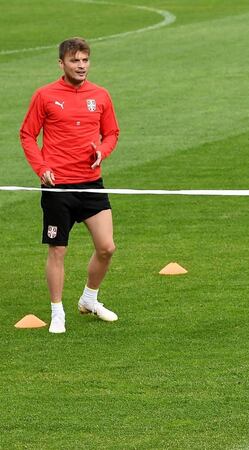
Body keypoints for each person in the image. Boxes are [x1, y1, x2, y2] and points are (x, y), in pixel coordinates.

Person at [20, 37, 120, 334]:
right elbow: (27, 134)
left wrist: (103, 150)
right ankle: (57, 312)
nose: (81, 66)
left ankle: (89, 299)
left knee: (106, 247)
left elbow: (112, 132)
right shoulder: (45, 95)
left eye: (85, 60)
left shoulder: (100, 95)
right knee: (58, 250)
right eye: (75, 60)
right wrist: (42, 168)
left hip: (91, 183)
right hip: (58, 186)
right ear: (61, 63)